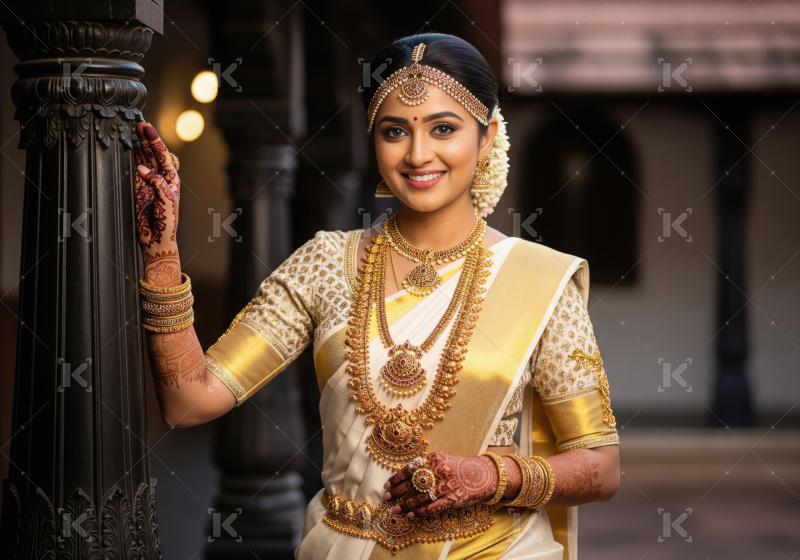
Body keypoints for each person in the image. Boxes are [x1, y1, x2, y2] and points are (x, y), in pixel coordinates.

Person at [133, 32, 620, 560]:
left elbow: (600, 466)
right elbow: (189, 400)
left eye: (444, 129)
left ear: (487, 138)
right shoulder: (325, 264)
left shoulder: (539, 280)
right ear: (373, 141)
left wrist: (489, 476)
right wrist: (161, 255)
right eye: (394, 131)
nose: (417, 154)